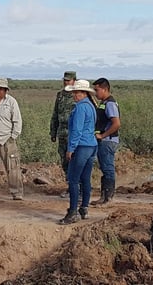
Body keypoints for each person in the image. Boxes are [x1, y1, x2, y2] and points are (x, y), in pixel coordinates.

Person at [59, 80, 98, 225]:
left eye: (77, 92)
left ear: (84, 93)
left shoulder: (81, 108)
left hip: (82, 146)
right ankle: (84, 208)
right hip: (91, 145)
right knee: (85, 178)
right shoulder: (90, 106)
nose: (74, 95)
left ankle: (73, 212)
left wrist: (71, 148)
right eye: (74, 92)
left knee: (73, 179)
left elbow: (77, 130)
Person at [90, 78, 120, 205]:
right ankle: (104, 197)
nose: (96, 93)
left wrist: (103, 136)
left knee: (108, 169)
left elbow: (116, 123)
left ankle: (108, 198)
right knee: (105, 168)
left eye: (97, 90)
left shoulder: (110, 104)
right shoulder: (104, 102)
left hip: (108, 141)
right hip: (105, 141)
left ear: (105, 89)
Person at [50, 71, 76, 198]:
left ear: (74, 81)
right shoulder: (60, 95)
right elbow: (55, 114)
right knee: (64, 161)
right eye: (65, 80)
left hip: (74, 135)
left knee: (75, 161)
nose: (66, 82)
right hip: (62, 134)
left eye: (69, 80)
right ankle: (70, 186)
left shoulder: (78, 95)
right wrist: (53, 132)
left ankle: (77, 187)